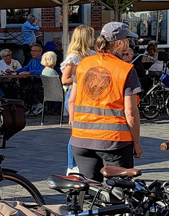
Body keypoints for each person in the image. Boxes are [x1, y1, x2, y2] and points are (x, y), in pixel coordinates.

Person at [69, 22, 142, 181]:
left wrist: (77, 129)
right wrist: (136, 142)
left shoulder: (83, 64)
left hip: (81, 139)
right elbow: (131, 112)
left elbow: (72, 101)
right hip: (114, 141)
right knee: (118, 194)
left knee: (91, 192)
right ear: (119, 43)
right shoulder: (126, 69)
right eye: (127, 40)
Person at [60, 24, 96, 174]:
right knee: (77, 131)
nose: (94, 39)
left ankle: (85, 161)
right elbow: (65, 79)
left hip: (89, 95)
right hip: (75, 94)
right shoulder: (74, 57)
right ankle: (71, 165)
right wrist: (83, 78)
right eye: (92, 36)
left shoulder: (93, 54)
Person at [16, 43, 45, 115]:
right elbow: (24, 69)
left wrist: (29, 72)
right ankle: (32, 106)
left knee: (27, 90)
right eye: (32, 51)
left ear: (40, 52)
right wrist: (13, 72)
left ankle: (38, 104)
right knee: (21, 89)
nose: (33, 52)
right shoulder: (32, 61)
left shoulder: (43, 60)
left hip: (42, 82)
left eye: (35, 51)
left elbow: (42, 71)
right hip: (33, 81)